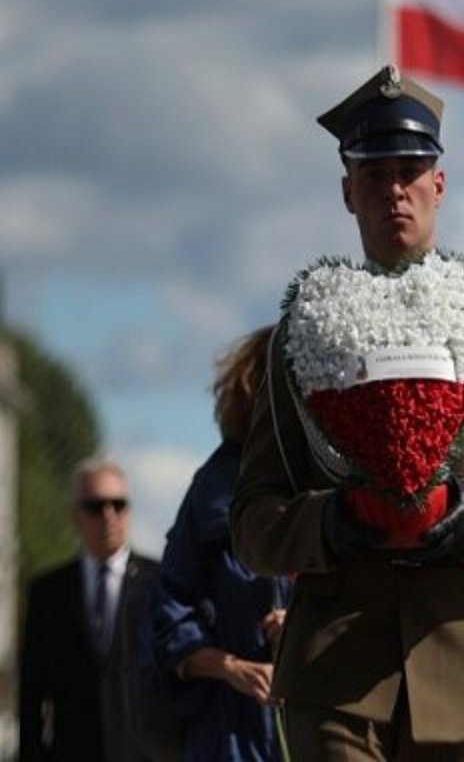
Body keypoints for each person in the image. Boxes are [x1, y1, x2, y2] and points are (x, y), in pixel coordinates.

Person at [230, 66, 464, 762]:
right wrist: (327, 524)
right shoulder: (304, 332)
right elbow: (252, 522)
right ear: (347, 192)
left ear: (439, 185)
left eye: (412, 170)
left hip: (459, 667)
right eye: (375, 173)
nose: (395, 189)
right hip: (335, 674)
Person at [150, 325, 290, 761]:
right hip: (229, 733)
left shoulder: (341, 480)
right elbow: (168, 614)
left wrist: (307, 626)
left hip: (320, 722)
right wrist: (229, 668)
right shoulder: (215, 485)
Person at [19, 458, 160, 761]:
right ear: (76, 516)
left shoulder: (160, 584)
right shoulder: (48, 592)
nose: (108, 515)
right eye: (96, 507)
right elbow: (31, 691)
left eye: (118, 505)